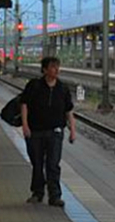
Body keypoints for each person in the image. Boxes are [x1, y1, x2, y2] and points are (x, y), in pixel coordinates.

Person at [21, 57, 76, 207]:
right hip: (35, 131)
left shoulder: (62, 89)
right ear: (44, 70)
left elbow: (68, 111)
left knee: (53, 164)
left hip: (55, 132)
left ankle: (55, 195)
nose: (56, 70)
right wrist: (25, 125)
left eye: (58, 67)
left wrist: (73, 130)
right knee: (37, 163)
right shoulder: (34, 86)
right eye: (52, 67)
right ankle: (37, 193)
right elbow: (24, 105)